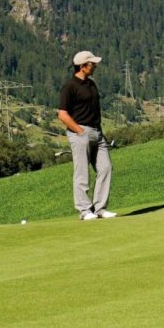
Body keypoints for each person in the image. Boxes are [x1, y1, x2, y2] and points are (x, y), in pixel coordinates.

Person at [57, 50, 116, 220]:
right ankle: (84, 210)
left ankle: (100, 208)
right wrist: (80, 131)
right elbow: (62, 114)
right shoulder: (69, 86)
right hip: (80, 132)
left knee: (105, 168)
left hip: (97, 132)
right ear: (83, 66)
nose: (95, 66)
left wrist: (98, 131)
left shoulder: (91, 84)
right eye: (92, 64)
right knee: (82, 172)